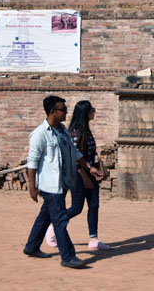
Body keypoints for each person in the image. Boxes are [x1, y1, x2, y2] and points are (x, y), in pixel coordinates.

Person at [23, 95, 103, 268]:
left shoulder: (63, 131)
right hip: (49, 185)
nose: (67, 113)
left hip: (63, 183)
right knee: (59, 220)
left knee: (45, 216)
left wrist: (90, 168)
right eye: (63, 110)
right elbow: (32, 162)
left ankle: (32, 246)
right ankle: (68, 256)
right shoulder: (39, 134)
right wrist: (32, 186)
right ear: (52, 112)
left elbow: (75, 154)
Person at [45, 100, 110, 251]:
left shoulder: (85, 130)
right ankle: (54, 227)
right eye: (92, 110)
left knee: (94, 206)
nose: (94, 112)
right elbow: (73, 158)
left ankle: (93, 239)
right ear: (86, 113)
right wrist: (85, 176)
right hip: (79, 174)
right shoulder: (75, 133)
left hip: (90, 172)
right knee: (76, 207)